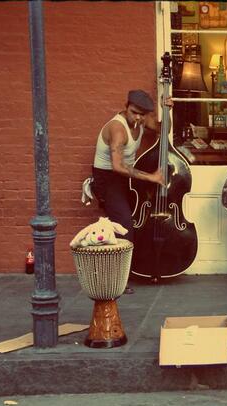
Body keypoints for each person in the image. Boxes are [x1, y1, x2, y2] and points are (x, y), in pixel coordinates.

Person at [91, 90, 172, 293]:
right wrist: (151, 177)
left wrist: (167, 110)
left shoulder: (141, 120)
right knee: (125, 223)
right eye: (134, 112)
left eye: (142, 115)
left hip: (125, 178)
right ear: (126, 106)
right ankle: (118, 279)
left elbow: (164, 131)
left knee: (139, 218)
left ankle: (140, 265)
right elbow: (117, 167)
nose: (138, 117)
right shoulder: (117, 128)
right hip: (108, 179)